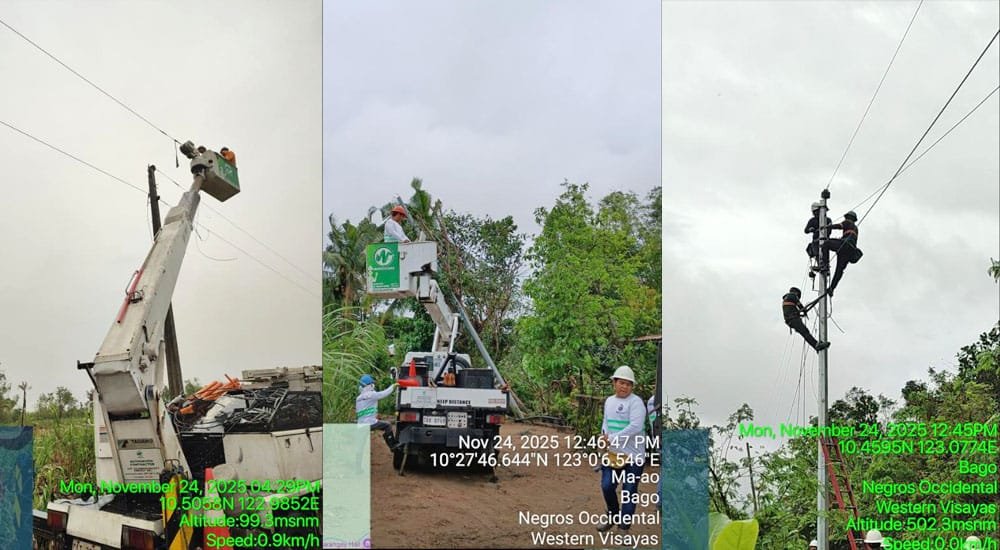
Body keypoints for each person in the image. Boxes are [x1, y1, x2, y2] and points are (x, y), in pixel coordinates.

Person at [596, 366, 647, 533]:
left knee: (629, 491)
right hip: (613, 454)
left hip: (633, 457)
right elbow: (606, 422)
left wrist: (612, 438)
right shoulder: (609, 401)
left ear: (632, 386)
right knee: (607, 486)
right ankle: (612, 514)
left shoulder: (636, 402)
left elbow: (636, 426)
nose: (624, 387)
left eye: (628, 384)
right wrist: (604, 436)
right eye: (621, 383)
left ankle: (624, 528)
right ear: (614, 383)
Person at [356, 374, 401, 450]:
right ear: (370, 385)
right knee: (387, 425)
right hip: (371, 423)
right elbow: (384, 393)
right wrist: (393, 386)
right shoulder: (371, 394)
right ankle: (392, 446)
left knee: (361, 447)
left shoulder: (358, 398)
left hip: (360, 425)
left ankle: (358, 460)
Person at [821, 210, 861, 297]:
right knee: (839, 270)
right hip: (849, 251)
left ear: (848, 217)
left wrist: (827, 227)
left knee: (826, 244)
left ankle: (825, 265)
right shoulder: (855, 228)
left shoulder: (848, 222)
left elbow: (839, 226)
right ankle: (832, 288)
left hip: (844, 245)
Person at [782, 287, 830, 352]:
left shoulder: (786, 299)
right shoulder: (792, 295)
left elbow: (792, 309)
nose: (798, 297)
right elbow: (799, 305)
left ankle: (816, 345)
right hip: (793, 319)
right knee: (805, 332)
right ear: (795, 292)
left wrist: (801, 313)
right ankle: (816, 345)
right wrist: (804, 310)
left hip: (791, 320)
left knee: (804, 332)